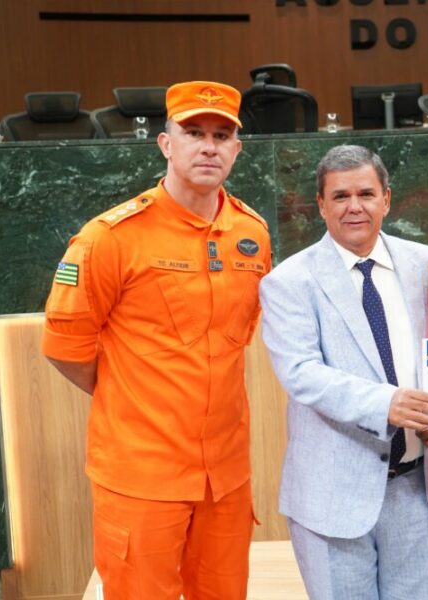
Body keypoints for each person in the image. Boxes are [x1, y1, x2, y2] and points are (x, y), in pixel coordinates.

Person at [41, 80, 271, 599]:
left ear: (236, 149)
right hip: (142, 478)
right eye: (193, 132)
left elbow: (237, 339)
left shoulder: (251, 234)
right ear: (166, 144)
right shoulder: (111, 237)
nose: (208, 146)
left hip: (225, 479)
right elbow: (65, 349)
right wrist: (135, 397)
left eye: (221, 135)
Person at [260, 145, 428, 599]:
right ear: (321, 205)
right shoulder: (289, 282)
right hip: (333, 495)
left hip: (416, 486)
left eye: (366, 193)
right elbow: (301, 372)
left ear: (387, 199)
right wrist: (386, 404)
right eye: (341, 196)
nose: (355, 207)